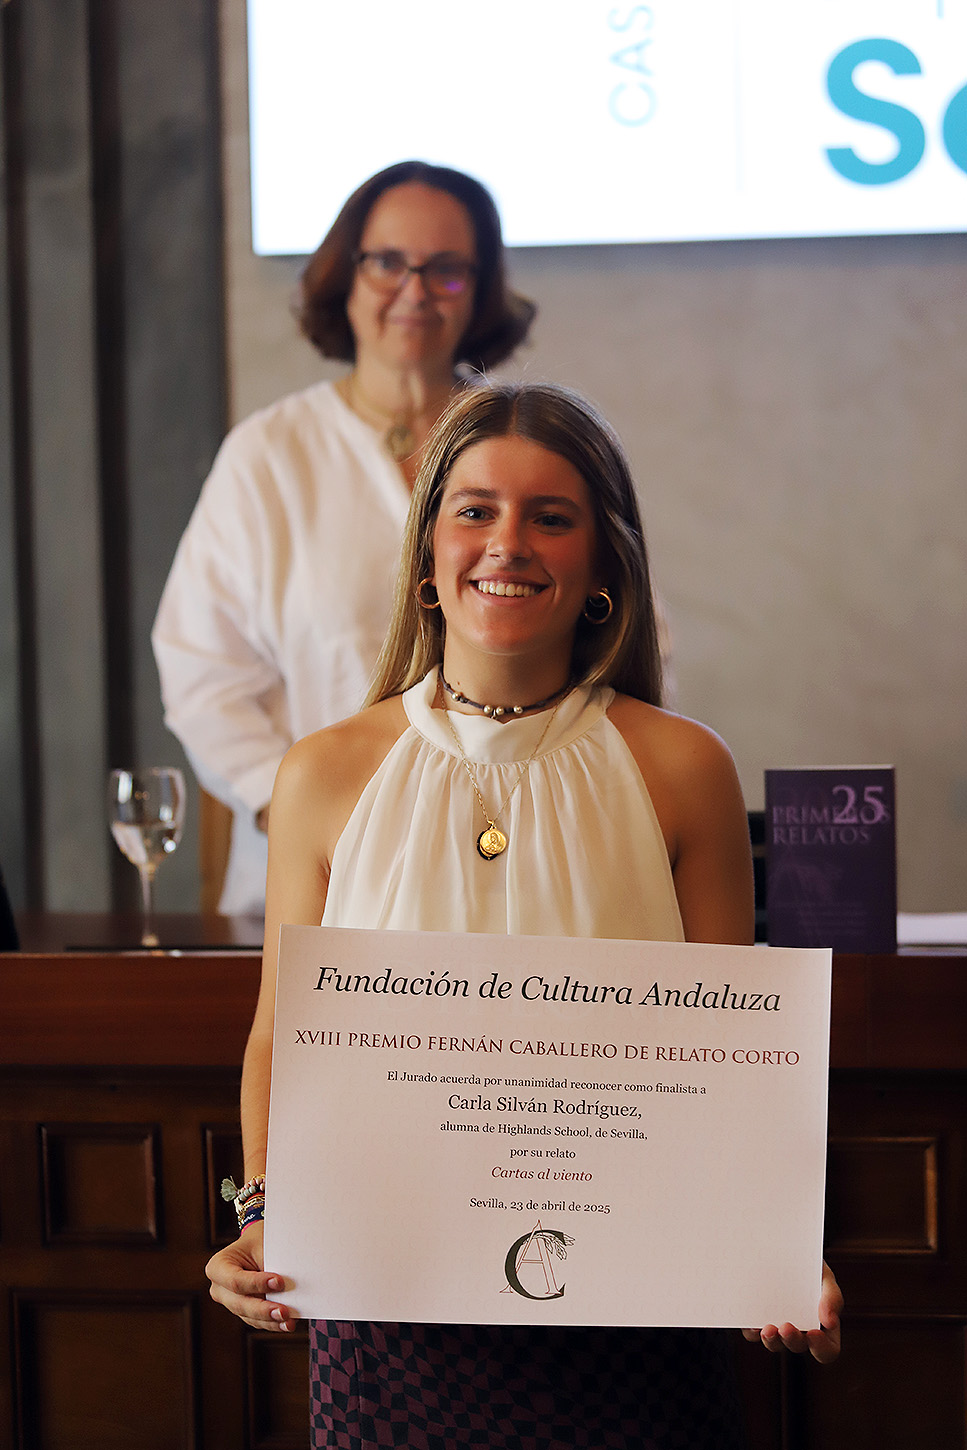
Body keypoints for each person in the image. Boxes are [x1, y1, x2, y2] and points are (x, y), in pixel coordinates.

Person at [207, 382, 842, 1448]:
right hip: (390, 1317)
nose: (508, 542)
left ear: (603, 567)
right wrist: (263, 1217)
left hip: (636, 1323)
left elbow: (727, 1062)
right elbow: (282, 1034)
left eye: (551, 517)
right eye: (475, 510)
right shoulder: (322, 772)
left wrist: (771, 1252)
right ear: (426, 554)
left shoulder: (686, 768)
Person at [151, 161, 536, 914]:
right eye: (387, 262)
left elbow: (624, 633)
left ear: (480, 288)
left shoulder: (533, 447)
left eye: (446, 269)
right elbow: (202, 672)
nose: (415, 292)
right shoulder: (268, 455)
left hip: (513, 875)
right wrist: (298, 812)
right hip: (317, 885)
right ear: (345, 276)